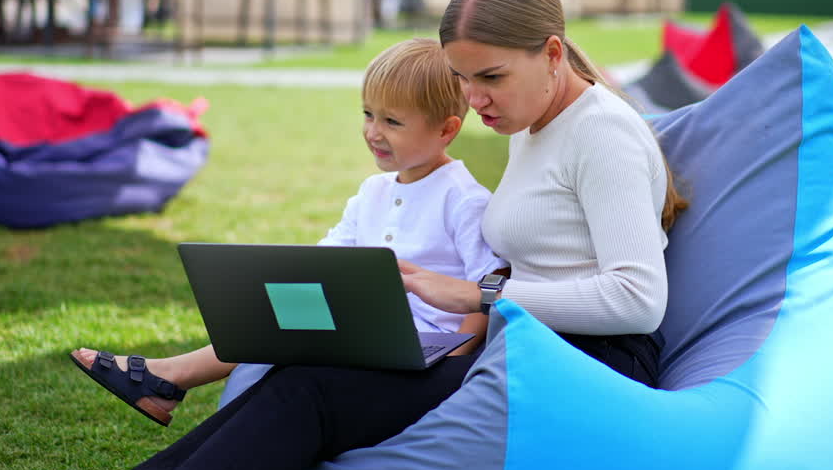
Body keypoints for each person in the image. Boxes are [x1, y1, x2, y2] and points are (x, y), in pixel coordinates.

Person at [0, 0, 687, 470]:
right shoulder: (533, 118)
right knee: (307, 366)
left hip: (584, 364)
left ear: (552, 53)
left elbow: (637, 300)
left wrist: (482, 297)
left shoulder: (602, 137)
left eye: (489, 78)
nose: (474, 98)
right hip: (511, 337)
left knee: (314, 387)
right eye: (464, 78)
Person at [68, 37, 505, 427]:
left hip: (424, 347)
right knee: (283, 312)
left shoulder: (464, 199)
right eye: (369, 114)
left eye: (393, 122)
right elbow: (328, 259)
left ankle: (170, 378)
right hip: (371, 328)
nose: (373, 132)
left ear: (447, 129)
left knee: (292, 326)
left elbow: (485, 290)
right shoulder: (373, 191)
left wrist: (455, 358)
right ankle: (169, 382)